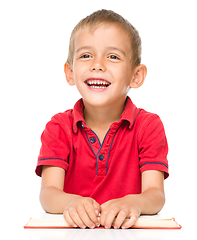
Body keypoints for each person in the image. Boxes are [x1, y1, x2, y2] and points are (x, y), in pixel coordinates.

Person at [35, 9, 169, 229]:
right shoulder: (58, 127)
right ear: (70, 72)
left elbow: (155, 195)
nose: (97, 65)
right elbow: (48, 194)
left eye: (113, 56)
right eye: (86, 55)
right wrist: (71, 202)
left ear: (136, 76)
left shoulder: (149, 126)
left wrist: (134, 202)